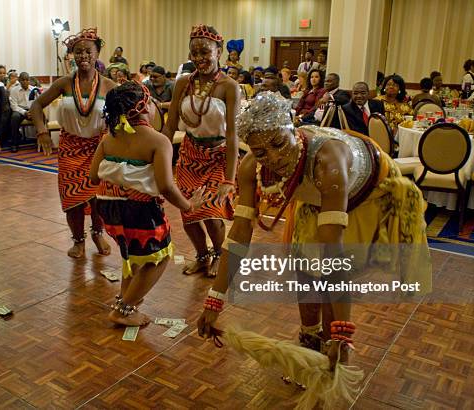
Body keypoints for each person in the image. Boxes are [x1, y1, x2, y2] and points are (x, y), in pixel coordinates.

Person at [197, 91, 431, 370]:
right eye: (260, 152)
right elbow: (238, 236)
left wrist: (342, 334)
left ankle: (335, 348)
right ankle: (309, 340)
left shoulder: (327, 162)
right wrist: (214, 301)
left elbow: (334, 256)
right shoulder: (252, 166)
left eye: (278, 143)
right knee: (305, 269)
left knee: (327, 273)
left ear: (293, 129)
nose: (273, 158)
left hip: (366, 195)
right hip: (316, 195)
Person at [90, 81, 205, 326]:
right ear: (143, 107)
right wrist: (189, 205)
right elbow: (165, 186)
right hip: (139, 210)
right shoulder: (158, 140)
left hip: (107, 207)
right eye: (151, 101)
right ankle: (124, 310)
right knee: (159, 257)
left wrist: (121, 176)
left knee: (129, 254)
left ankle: (126, 297)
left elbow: (92, 176)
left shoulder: (108, 137)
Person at [30, 28, 117, 259]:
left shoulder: (109, 86)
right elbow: (36, 106)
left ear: (97, 53)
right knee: (72, 199)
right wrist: (42, 132)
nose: (83, 56)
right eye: (78, 52)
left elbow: (124, 115)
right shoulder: (64, 83)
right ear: (72, 55)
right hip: (70, 149)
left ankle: (98, 233)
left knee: (98, 198)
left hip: (99, 148)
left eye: (88, 51)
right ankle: (78, 240)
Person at [163, 24, 240, 278]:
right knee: (189, 212)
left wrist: (229, 179)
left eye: (205, 52)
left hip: (218, 156)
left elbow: (232, 135)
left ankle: (219, 254)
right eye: (194, 53)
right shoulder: (184, 83)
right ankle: (202, 255)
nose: (199, 58)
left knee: (210, 211)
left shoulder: (229, 86)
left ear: (219, 51)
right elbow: (171, 125)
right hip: (189, 156)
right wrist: (158, 160)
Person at [9, 72, 35, 152]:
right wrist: (24, 112)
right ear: (19, 80)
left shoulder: (33, 89)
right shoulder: (14, 90)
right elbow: (14, 106)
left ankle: (40, 141)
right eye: (23, 80)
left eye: (27, 80)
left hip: (31, 109)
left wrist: (32, 111)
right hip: (19, 110)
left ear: (29, 80)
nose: (25, 82)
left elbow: (37, 102)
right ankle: (14, 144)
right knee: (14, 117)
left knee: (41, 115)